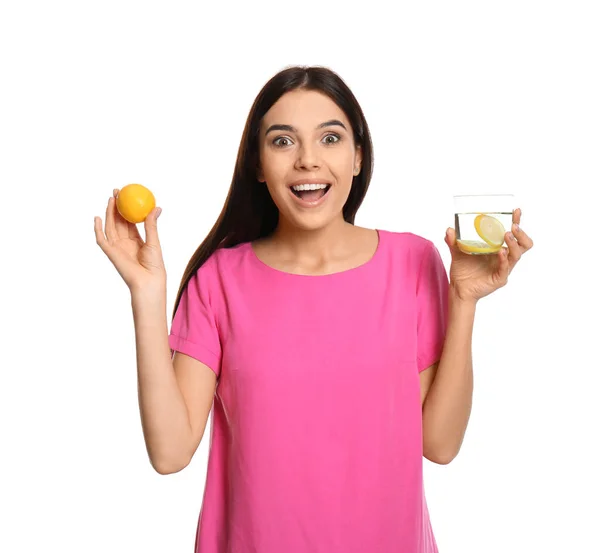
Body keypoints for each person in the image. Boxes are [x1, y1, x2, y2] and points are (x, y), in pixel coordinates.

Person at [94, 65, 533, 553]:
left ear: (358, 156)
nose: (307, 160)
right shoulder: (219, 280)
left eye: (330, 138)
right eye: (283, 142)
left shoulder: (412, 262)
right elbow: (170, 452)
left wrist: (464, 301)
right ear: (258, 165)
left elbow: (441, 444)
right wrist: (146, 293)